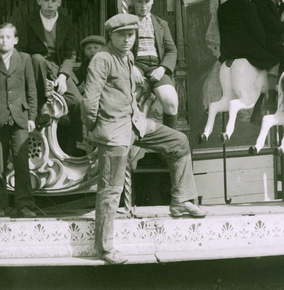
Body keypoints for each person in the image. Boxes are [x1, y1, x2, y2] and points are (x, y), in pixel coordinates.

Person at [82, 14, 205, 265]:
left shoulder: (127, 56)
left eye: (131, 35)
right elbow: (88, 103)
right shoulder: (101, 60)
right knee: (111, 189)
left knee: (178, 141)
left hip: (134, 122)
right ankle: (105, 247)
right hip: (113, 130)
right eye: (122, 35)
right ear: (111, 36)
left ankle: (181, 199)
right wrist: (100, 130)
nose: (128, 40)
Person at [15, 0, 83, 155]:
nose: (49, 5)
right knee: (37, 58)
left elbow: (70, 53)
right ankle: (41, 105)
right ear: (39, 1)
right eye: (46, 0)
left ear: (59, 2)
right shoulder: (28, 20)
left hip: (58, 66)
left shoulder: (66, 22)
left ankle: (73, 143)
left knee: (76, 101)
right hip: (35, 65)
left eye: (53, 1)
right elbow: (21, 49)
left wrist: (63, 75)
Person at [0, 23, 38, 218]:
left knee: (21, 162)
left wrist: (32, 116)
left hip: (19, 118)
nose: (4, 40)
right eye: (0, 37)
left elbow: (31, 89)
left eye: (8, 37)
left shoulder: (24, 59)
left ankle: (24, 205)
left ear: (15, 40)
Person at [128, 0, 180, 130]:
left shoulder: (161, 24)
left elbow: (171, 50)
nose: (143, 6)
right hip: (136, 65)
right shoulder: (126, 22)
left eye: (147, 1)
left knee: (171, 102)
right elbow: (119, 50)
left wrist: (163, 68)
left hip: (156, 67)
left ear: (152, 1)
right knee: (129, 100)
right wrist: (131, 67)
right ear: (132, 1)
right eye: (139, 1)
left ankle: (170, 141)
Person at [217, 0, 279, 72]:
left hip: (227, 51)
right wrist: (262, 45)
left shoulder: (222, 7)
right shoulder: (248, 5)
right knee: (275, 61)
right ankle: (272, 88)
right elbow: (257, 31)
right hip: (245, 50)